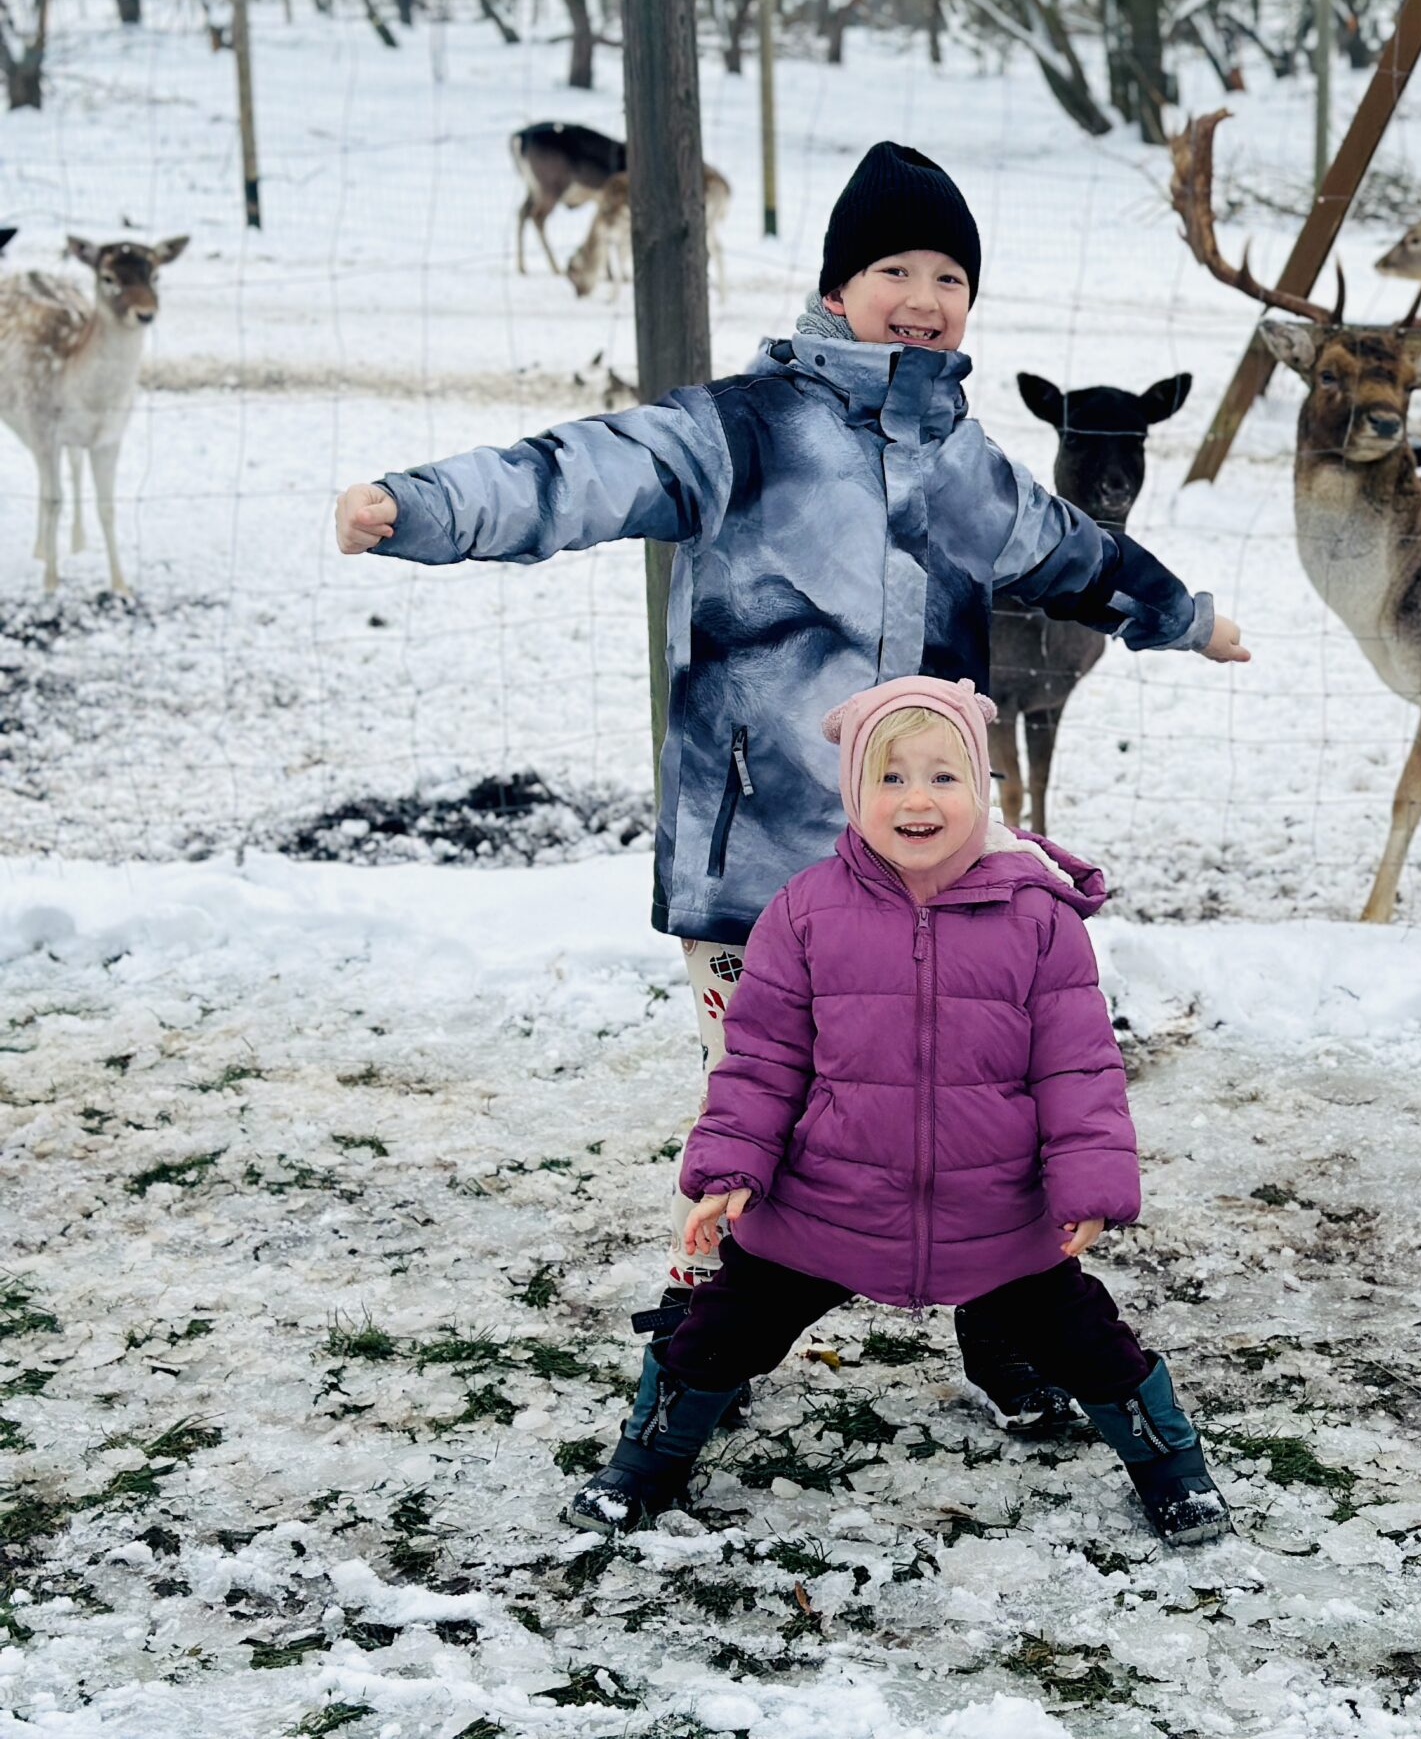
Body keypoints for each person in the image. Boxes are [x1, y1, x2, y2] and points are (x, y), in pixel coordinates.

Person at [335, 142, 1247, 1426]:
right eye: (892, 269)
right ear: (834, 288)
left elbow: (1064, 552)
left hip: (933, 859)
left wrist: (1182, 616)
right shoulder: (739, 432)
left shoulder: (961, 461)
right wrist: (418, 508)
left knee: (972, 1102)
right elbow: (578, 472)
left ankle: (1012, 1333)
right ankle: (708, 1321)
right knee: (758, 1100)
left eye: (949, 275)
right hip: (760, 865)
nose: (923, 296)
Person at [566, 676, 1229, 1547]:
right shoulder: (804, 914)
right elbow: (761, 1060)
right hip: (824, 1203)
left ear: (982, 790)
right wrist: (728, 1169)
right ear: (852, 793)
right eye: (890, 778)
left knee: (1091, 1344)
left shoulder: (1037, 918)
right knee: (723, 1331)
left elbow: (1078, 1065)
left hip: (993, 1210)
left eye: (944, 777)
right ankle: (645, 1463)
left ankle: (1171, 1469)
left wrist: (1090, 1181)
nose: (918, 799)